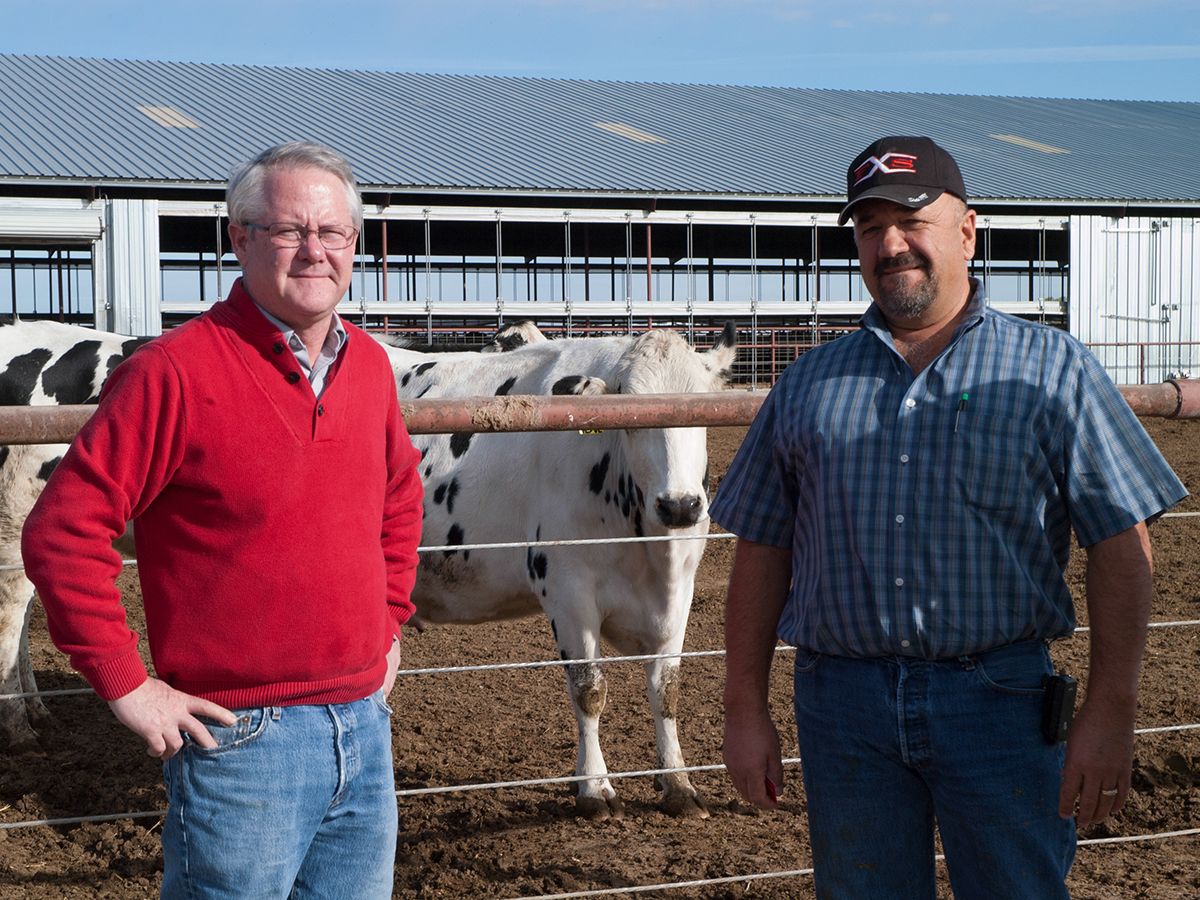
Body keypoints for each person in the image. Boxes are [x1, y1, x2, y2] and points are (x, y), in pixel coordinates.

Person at [712, 135, 1187, 899]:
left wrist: (1111, 710)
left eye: (911, 220)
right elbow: (763, 549)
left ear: (966, 231)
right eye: (869, 228)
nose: (890, 244)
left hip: (998, 702)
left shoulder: (1052, 368)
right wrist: (744, 708)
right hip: (844, 710)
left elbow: (1121, 547)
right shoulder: (807, 383)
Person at [21, 141, 424, 898]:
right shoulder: (173, 372)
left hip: (364, 727)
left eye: (333, 233)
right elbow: (61, 532)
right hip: (241, 741)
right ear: (237, 239)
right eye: (287, 231)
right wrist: (130, 685)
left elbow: (400, 499)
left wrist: (389, 622)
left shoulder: (369, 367)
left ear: (355, 246)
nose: (314, 251)